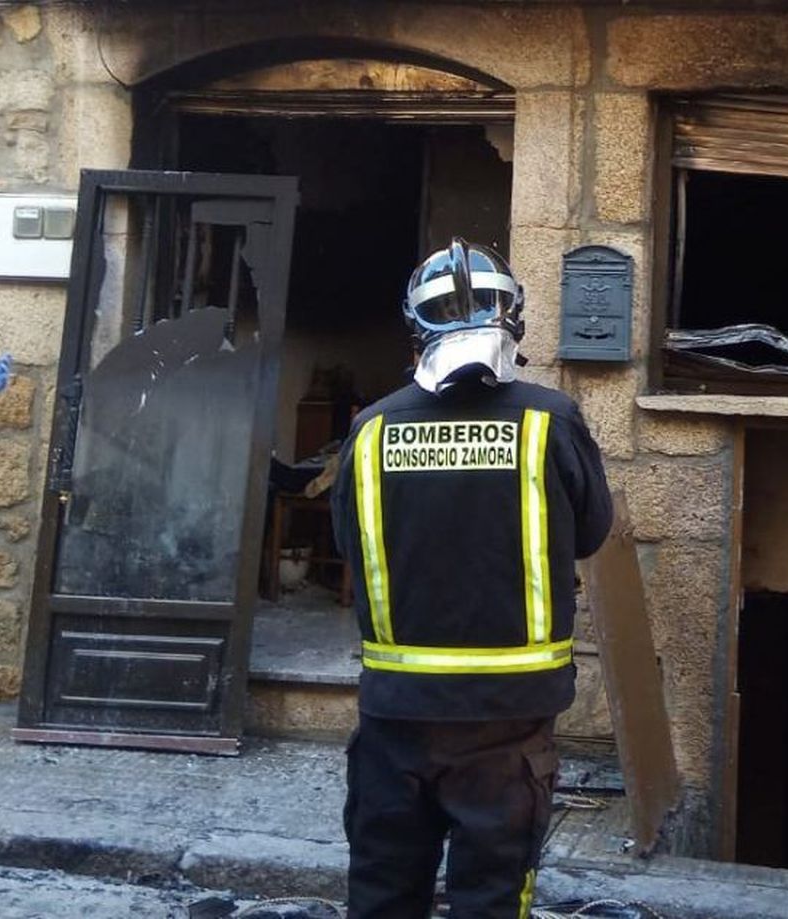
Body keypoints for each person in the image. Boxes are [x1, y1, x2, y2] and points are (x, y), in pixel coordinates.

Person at [331, 238, 613, 917]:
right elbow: (595, 532)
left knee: (382, 892)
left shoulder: (370, 430)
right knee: (490, 896)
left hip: (396, 714)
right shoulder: (552, 421)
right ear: (512, 319)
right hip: (510, 717)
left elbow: (350, 546)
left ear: (415, 328)